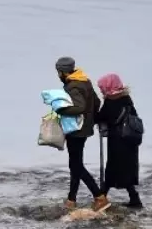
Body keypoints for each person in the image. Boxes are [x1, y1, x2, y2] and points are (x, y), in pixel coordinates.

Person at [54, 56, 109, 211]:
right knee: (75, 163)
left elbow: (79, 107)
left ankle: (99, 197)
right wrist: (90, 119)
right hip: (84, 129)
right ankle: (71, 199)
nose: (57, 75)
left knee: (76, 165)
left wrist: (61, 109)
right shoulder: (84, 80)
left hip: (75, 130)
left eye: (58, 72)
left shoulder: (73, 86)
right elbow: (97, 102)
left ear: (62, 72)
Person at [96, 73, 143, 208]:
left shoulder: (111, 100)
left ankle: (101, 196)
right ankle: (133, 198)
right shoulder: (126, 98)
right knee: (125, 169)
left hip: (118, 141)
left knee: (113, 168)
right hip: (130, 140)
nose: (101, 90)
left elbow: (101, 117)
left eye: (102, 88)